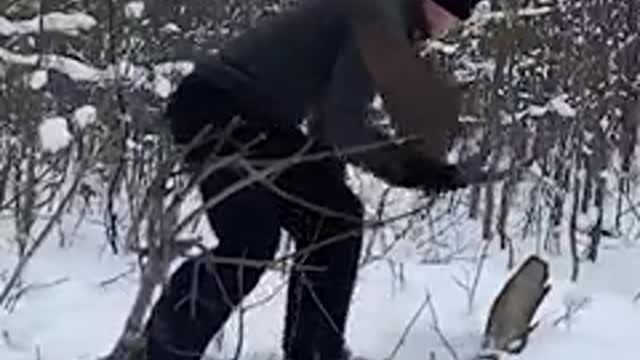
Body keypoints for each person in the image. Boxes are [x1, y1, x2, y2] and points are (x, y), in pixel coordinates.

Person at [144, 0, 483, 359]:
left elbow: (328, 119)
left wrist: (335, 182)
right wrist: (414, 170)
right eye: (453, 12)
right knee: (249, 241)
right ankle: (164, 352)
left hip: (253, 120)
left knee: (335, 221)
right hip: (220, 111)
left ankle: (315, 352)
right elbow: (343, 127)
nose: (452, 25)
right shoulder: (380, 19)